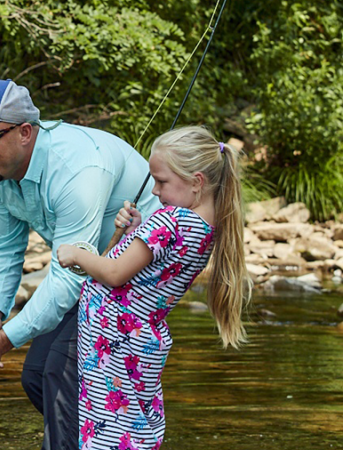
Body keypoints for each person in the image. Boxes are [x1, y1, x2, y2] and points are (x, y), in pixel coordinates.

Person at [0, 79, 161, 449]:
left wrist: (0, 345)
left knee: (60, 371)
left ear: (24, 132)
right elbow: (6, 245)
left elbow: (68, 279)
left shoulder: (76, 170)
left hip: (141, 268)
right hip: (90, 268)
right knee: (38, 374)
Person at [57, 126, 251, 450]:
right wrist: (134, 230)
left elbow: (115, 272)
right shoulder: (206, 231)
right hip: (140, 344)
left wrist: (77, 254)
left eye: (162, 182)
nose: (156, 191)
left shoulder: (170, 220)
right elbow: (146, 271)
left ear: (196, 182)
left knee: (108, 434)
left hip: (113, 343)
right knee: (134, 428)